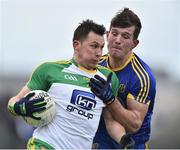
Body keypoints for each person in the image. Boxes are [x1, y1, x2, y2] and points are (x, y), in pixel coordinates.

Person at [7, 19, 121, 149]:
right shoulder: (49, 70)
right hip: (44, 145)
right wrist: (20, 107)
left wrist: (123, 140)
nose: (99, 53)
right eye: (94, 46)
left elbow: (111, 122)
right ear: (76, 45)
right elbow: (14, 100)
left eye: (101, 47)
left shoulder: (109, 79)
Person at [90, 8, 156, 149]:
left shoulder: (142, 76)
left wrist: (111, 101)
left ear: (134, 43)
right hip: (97, 143)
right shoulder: (94, 64)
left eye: (125, 36)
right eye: (114, 34)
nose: (117, 40)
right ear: (107, 36)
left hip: (130, 146)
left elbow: (134, 125)